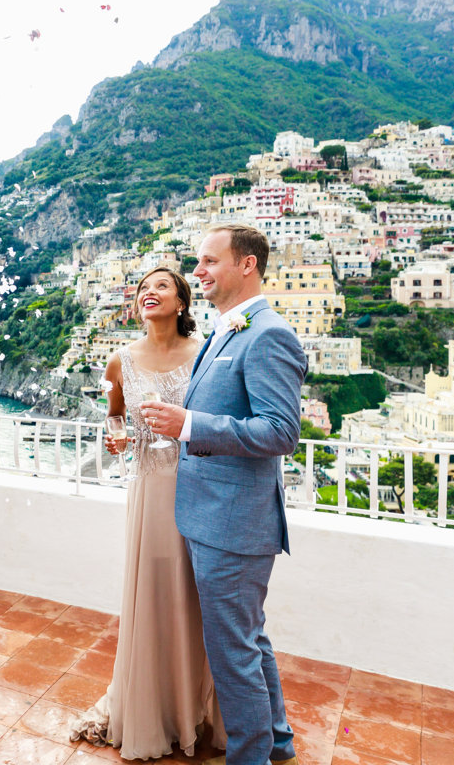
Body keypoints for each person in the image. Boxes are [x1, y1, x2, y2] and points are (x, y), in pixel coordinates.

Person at [142, 225, 305, 765]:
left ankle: (250, 755)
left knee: (233, 652)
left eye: (210, 261)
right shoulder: (227, 329)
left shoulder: (268, 334)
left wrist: (189, 424)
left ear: (247, 265)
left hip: (235, 524)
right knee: (249, 640)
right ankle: (275, 741)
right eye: (198, 262)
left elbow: (280, 432)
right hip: (211, 517)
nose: (199, 272)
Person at [70, 267, 225, 760]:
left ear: (181, 301)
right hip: (149, 493)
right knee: (156, 596)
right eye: (141, 289)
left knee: (198, 599)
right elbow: (113, 415)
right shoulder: (120, 360)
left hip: (199, 488)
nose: (148, 293)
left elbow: (217, 420)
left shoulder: (205, 354)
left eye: (161, 285)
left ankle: (193, 710)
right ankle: (154, 710)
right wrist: (117, 437)